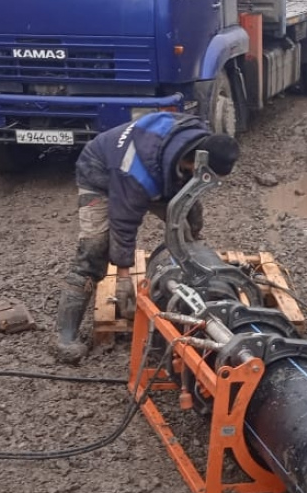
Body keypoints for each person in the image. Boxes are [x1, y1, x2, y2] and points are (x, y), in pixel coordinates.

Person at [54, 112, 240, 363]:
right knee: (94, 250)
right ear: (195, 163)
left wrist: (190, 231)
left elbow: (188, 199)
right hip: (102, 173)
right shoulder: (136, 174)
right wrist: (123, 277)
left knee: (187, 226)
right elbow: (123, 221)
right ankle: (65, 337)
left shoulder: (196, 139)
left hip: (161, 171)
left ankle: (196, 288)